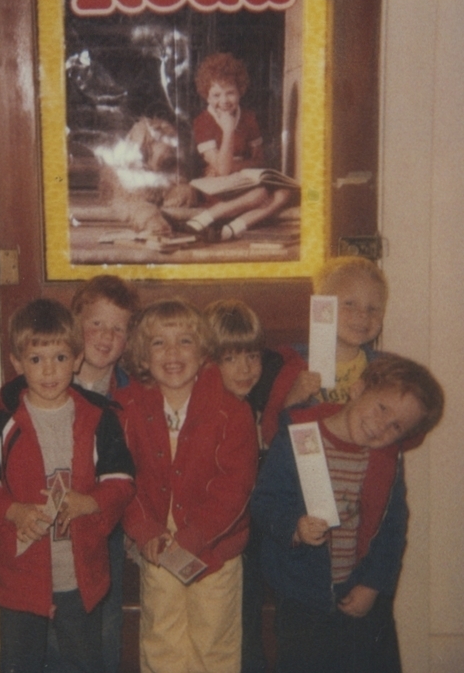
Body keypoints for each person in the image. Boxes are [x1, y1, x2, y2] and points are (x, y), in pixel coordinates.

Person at [0, 299, 135, 673]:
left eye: (59, 357)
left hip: (81, 575)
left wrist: (90, 502)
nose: (49, 370)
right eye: (36, 359)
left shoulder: (99, 418)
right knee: (18, 662)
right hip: (21, 576)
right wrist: (12, 510)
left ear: (76, 360)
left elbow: (121, 481)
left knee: (85, 661)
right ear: (17, 363)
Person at [251, 353, 444, 673]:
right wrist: (295, 527)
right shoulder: (300, 434)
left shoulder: (386, 460)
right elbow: (265, 501)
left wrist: (374, 583)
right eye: (382, 408)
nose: (382, 425)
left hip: (360, 592)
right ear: (357, 389)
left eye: (397, 425)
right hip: (301, 594)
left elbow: (393, 528)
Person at [117, 299, 258, 673]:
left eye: (184, 341)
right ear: (143, 357)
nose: (173, 352)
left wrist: (194, 537)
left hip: (215, 546)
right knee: (162, 638)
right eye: (159, 343)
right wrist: (146, 531)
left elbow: (234, 488)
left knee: (214, 643)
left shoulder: (232, 410)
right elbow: (121, 479)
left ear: (204, 353)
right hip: (158, 545)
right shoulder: (127, 407)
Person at [70, 275, 140, 673]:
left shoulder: (129, 395)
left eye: (117, 328)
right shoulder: (49, 380)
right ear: (75, 323)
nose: (105, 335)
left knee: (105, 626)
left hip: (107, 526)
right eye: (96, 323)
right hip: (58, 524)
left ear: (128, 338)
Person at [262, 256, 389, 446]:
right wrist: (293, 399)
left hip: (358, 469)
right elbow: (271, 434)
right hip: (308, 469)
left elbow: (405, 428)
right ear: (322, 307)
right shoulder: (295, 366)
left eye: (373, 309)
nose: (363, 314)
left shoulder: (384, 372)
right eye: (349, 304)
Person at [187, 52, 292, 241]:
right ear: (207, 96)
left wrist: (237, 167)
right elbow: (224, 171)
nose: (224, 100)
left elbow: (259, 159)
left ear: (239, 91)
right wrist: (228, 131)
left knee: (284, 194)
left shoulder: (249, 118)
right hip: (218, 187)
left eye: (230, 93)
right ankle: (205, 217)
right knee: (260, 194)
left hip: (244, 181)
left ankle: (233, 229)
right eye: (216, 95)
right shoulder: (202, 122)